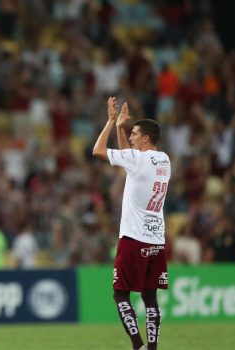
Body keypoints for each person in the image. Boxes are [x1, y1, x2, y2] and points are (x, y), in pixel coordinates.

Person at [92, 97, 171, 350]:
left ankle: (137, 345)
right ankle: (152, 347)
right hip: (156, 239)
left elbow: (98, 150)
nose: (132, 136)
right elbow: (131, 159)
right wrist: (121, 129)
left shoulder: (138, 160)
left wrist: (111, 122)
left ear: (146, 138)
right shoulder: (164, 160)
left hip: (134, 237)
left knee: (120, 294)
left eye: (135, 133)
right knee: (149, 296)